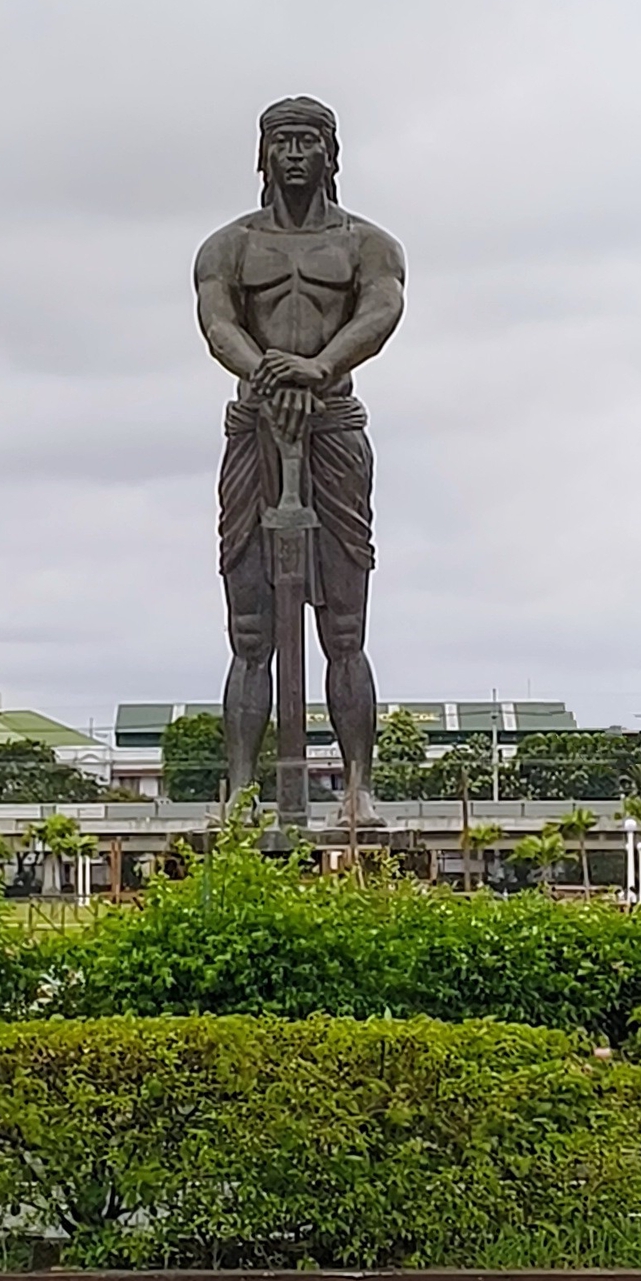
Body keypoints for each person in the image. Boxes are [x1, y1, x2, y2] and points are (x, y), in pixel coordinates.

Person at [193, 98, 405, 821]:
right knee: (250, 627)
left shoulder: (367, 243)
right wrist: (266, 375)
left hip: (333, 426)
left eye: (307, 142)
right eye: (280, 141)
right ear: (262, 154)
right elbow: (217, 321)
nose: (292, 154)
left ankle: (357, 787)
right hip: (255, 428)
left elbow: (380, 311)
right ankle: (243, 789)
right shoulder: (228, 246)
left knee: (345, 625)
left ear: (329, 154)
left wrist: (317, 370)